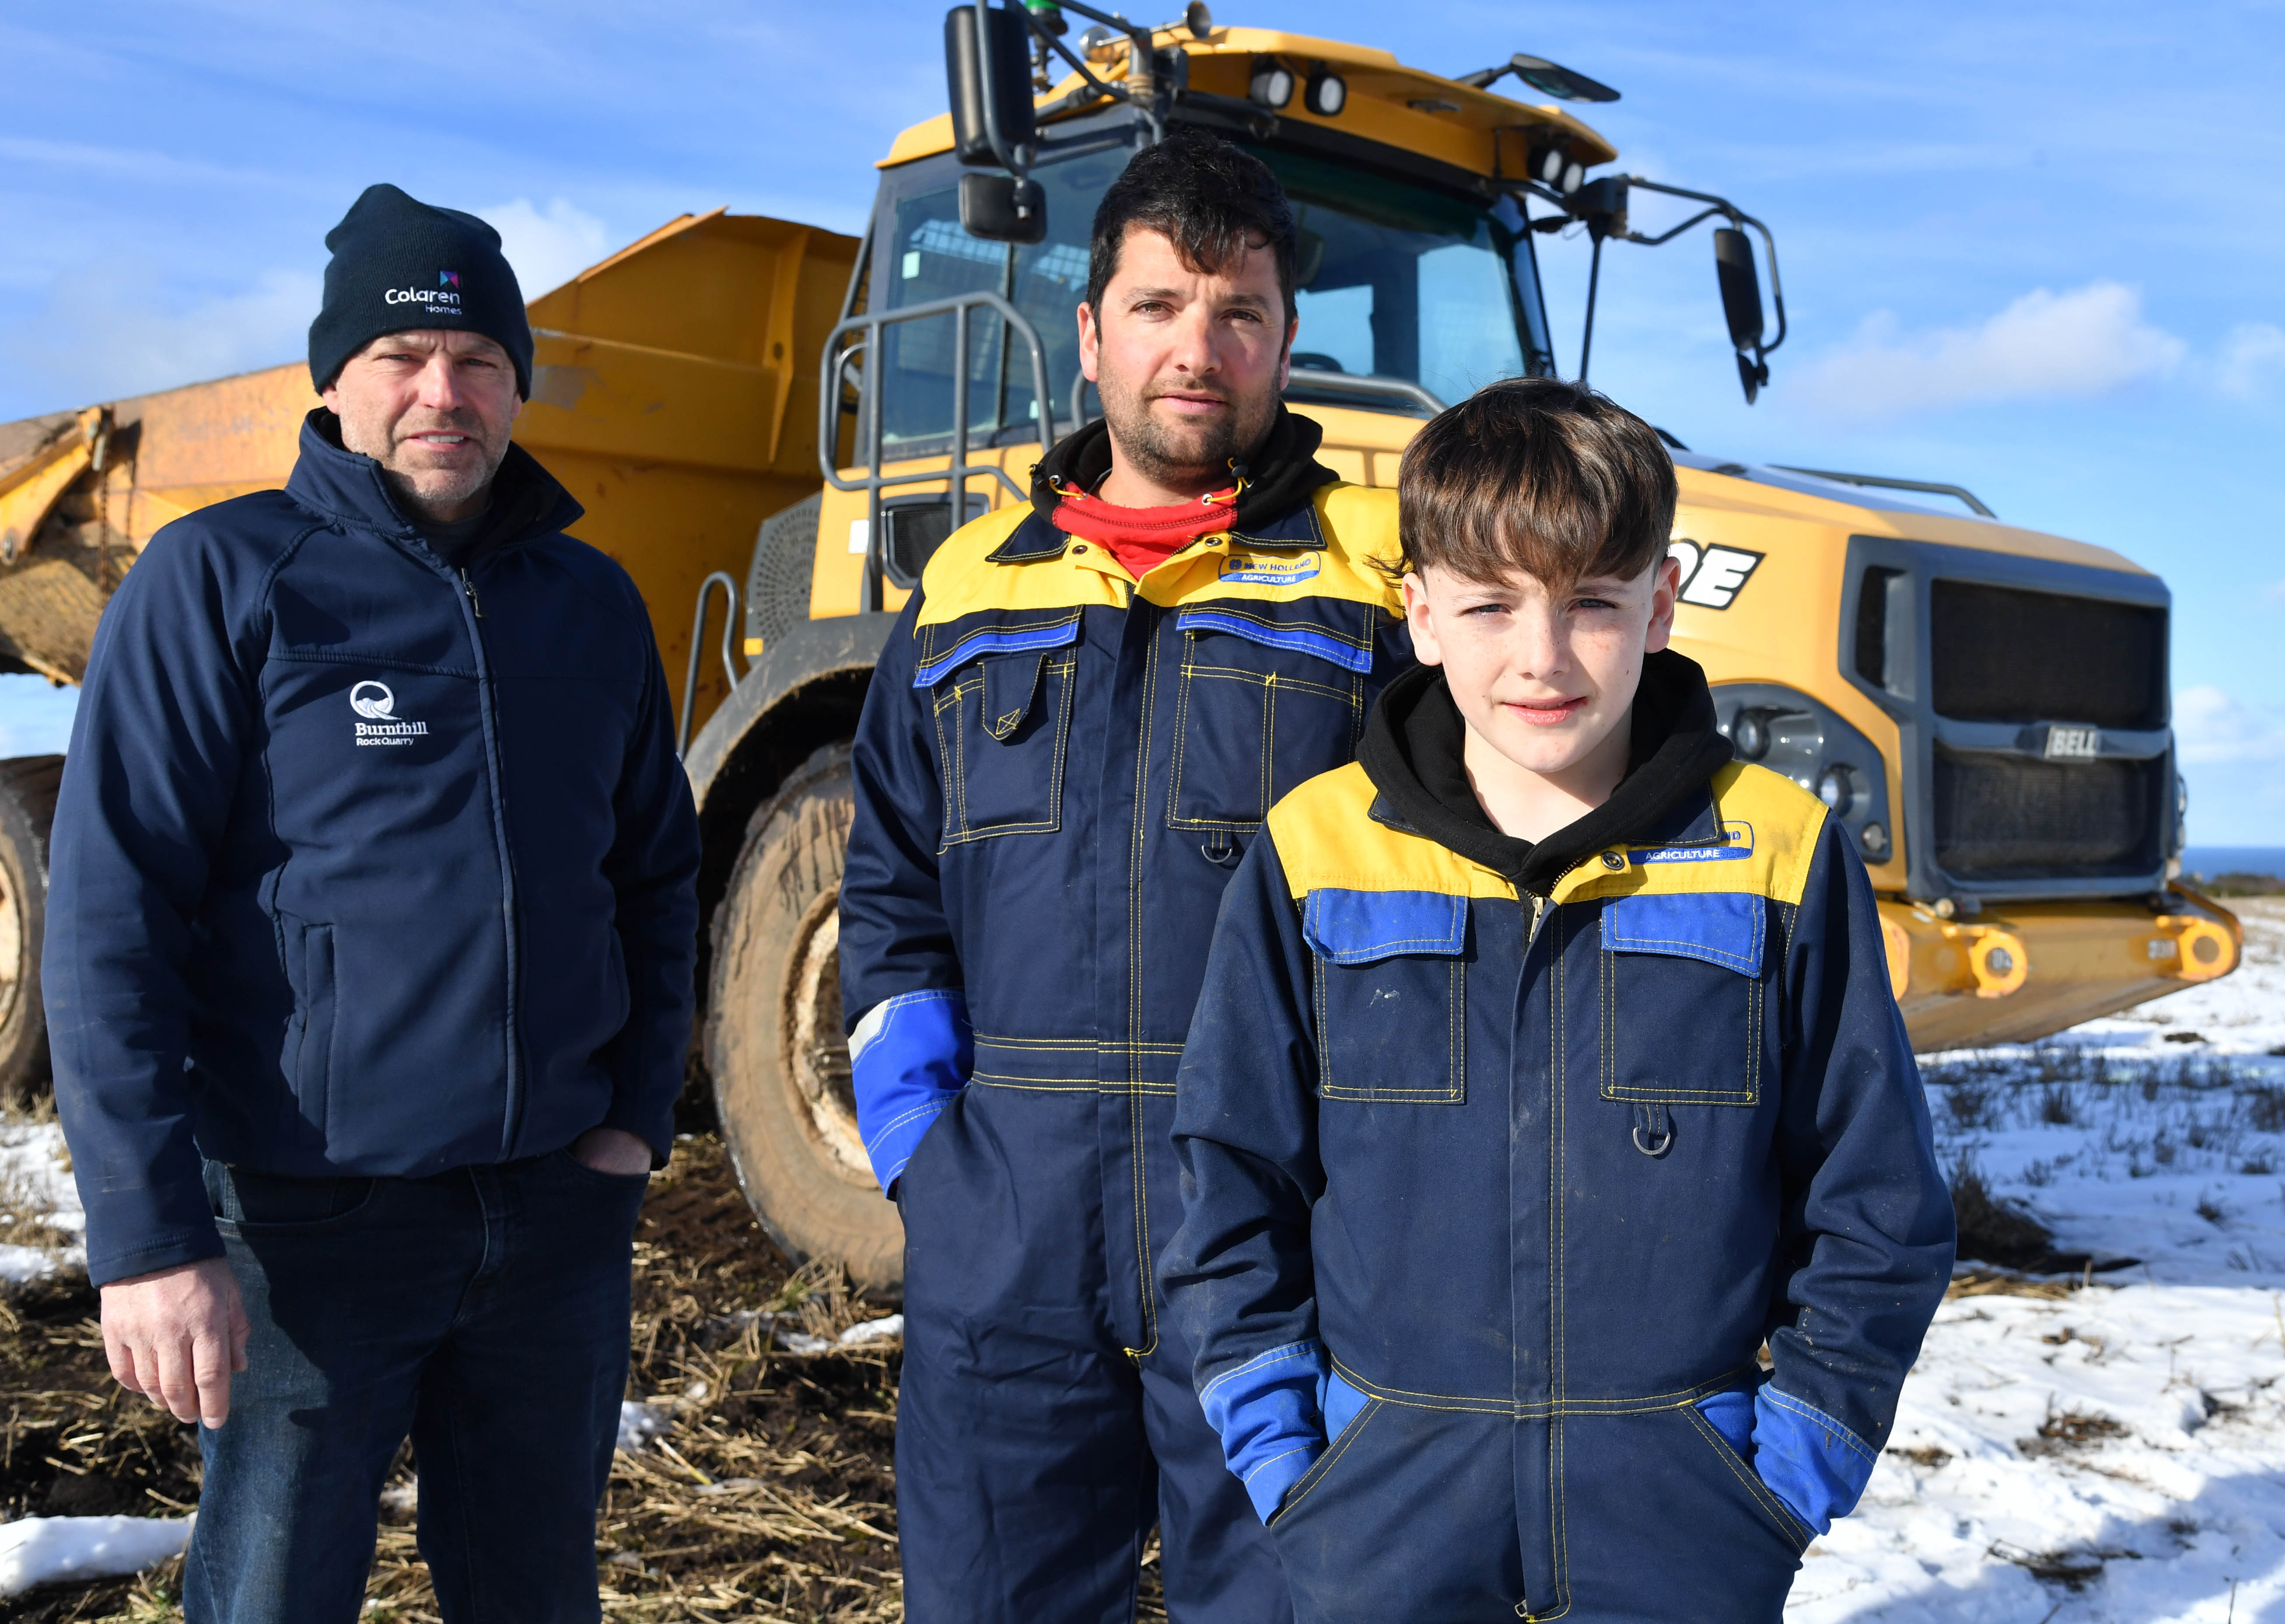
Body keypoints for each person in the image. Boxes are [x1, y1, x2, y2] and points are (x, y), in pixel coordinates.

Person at [1159, 378, 1956, 1622]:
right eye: (1489, 606)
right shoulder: (1317, 851)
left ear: (1661, 605)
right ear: (1417, 613)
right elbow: (1228, 1181)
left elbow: (1882, 1203)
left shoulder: (1781, 854)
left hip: (1679, 1525)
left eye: (1591, 602)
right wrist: (1289, 1464)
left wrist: (1782, 1477)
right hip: (1382, 1515)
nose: (1542, 656)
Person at [45, 183, 700, 1623]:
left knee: (536, 1595)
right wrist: (149, 1240)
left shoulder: (590, 605)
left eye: (476, 360)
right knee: (274, 1593)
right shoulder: (222, 580)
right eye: (402, 359)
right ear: (334, 381)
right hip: (307, 1221)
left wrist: (631, 1121)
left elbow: (655, 876)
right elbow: (110, 922)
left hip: (548, 1221)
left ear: (517, 382)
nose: (441, 393)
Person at [838, 129, 1412, 1622]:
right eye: (1160, 307)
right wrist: (922, 1147)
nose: (1197, 350)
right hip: (1006, 1237)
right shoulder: (967, 595)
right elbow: (891, 888)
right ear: (1090, 332)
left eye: (1239, 314)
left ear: (1289, 342)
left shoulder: (1378, 593)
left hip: (1279, 1240)